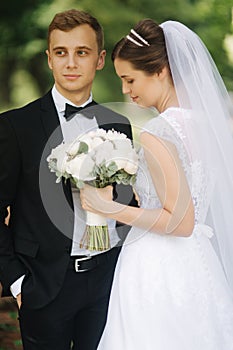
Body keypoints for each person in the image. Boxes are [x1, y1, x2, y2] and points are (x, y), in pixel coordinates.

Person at [80, 19, 233, 349]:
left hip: (159, 271)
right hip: (198, 262)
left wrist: (110, 207)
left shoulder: (158, 133)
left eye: (129, 78)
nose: (125, 90)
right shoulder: (207, 126)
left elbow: (179, 221)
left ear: (161, 70)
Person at [0, 9, 137, 350]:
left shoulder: (118, 126)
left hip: (107, 283)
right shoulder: (16, 127)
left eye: (82, 52)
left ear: (100, 59)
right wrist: (17, 282)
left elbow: (125, 203)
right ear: (49, 59)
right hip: (43, 285)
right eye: (61, 52)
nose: (71, 63)